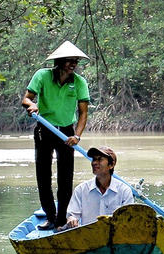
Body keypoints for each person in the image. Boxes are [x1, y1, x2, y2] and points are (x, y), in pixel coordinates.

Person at [21, 41, 91, 230]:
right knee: (43, 175)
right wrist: (32, 105)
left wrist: (77, 136)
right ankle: (50, 217)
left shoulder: (78, 82)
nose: (73, 64)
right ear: (59, 61)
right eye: (69, 60)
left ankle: (61, 219)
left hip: (66, 133)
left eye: (75, 61)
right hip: (45, 129)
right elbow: (26, 98)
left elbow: (83, 112)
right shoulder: (42, 75)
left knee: (65, 178)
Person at [64, 146, 134, 229]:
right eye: (94, 159)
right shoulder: (81, 189)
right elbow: (72, 215)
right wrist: (72, 219)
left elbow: (128, 221)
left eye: (100, 159)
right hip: (88, 237)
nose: (94, 163)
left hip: (115, 238)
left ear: (111, 165)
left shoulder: (124, 191)